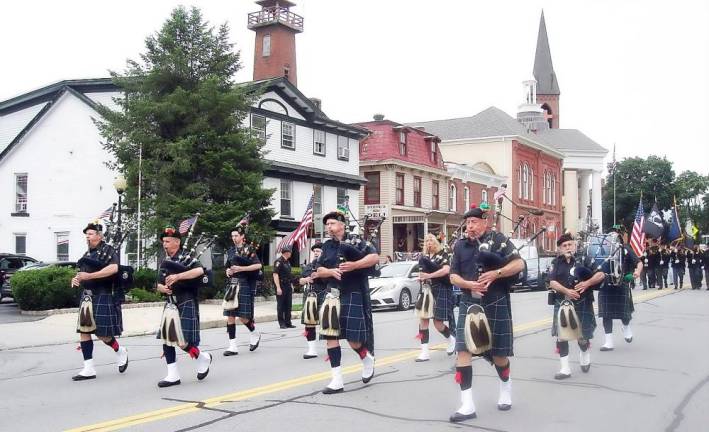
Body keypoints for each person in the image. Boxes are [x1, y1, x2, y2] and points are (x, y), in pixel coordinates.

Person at [448, 205, 525, 422]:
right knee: (462, 350)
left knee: (499, 355)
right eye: (468, 223)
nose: (469, 227)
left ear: (484, 222)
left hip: (495, 301)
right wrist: (468, 284)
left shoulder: (499, 240)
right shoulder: (460, 246)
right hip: (468, 302)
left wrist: (496, 273)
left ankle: (505, 387)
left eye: (473, 223)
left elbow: (519, 263)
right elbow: (453, 276)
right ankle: (467, 404)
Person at [316, 210, 379, 394]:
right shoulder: (326, 246)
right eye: (326, 224)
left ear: (342, 225)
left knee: (353, 340)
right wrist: (329, 272)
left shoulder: (356, 241)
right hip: (332, 295)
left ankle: (366, 358)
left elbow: (374, 258)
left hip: (352, 292)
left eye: (332, 224)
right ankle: (337, 380)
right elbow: (318, 269)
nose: (329, 227)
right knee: (331, 336)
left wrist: (354, 265)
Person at [155, 226, 212, 387]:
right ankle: (172, 375)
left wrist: (178, 275)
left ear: (177, 242)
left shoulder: (187, 257)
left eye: (167, 241)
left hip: (185, 300)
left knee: (182, 341)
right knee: (167, 339)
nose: (164, 244)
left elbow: (200, 271)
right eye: (163, 241)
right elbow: (158, 283)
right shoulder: (164, 260)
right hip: (170, 302)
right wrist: (162, 288)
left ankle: (201, 357)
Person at [71, 222, 128, 381]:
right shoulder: (88, 253)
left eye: (90, 233)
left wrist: (88, 276)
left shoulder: (108, 250)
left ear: (99, 235)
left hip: (103, 295)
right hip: (87, 296)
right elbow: (82, 273)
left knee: (103, 334)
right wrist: (76, 279)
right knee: (84, 331)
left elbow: (114, 269)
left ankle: (120, 350)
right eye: (86, 234)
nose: (87, 236)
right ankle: (88, 369)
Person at [547, 233, 605, 379]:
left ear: (575, 245)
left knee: (582, 337)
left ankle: (584, 353)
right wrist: (567, 291)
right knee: (561, 337)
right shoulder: (556, 262)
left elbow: (601, 275)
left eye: (570, 245)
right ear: (560, 249)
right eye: (564, 246)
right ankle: (565, 369)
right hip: (562, 302)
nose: (568, 248)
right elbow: (551, 282)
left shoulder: (585, 259)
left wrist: (587, 283)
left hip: (582, 302)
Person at [598, 226, 642, 352]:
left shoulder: (626, 248)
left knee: (624, 312)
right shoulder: (603, 249)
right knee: (606, 314)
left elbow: (639, 263)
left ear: (619, 237)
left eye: (616, 235)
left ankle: (626, 326)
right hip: (605, 283)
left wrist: (637, 271)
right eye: (611, 235)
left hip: (622, 282)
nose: (613, 237)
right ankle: (608, 342)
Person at [415, 234, 456, 361]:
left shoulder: (444, 254)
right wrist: (421, 278)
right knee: (423, 321)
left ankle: (451, 339)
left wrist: (429, 276)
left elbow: (445, 270)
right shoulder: (423, 257)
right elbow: (422, 273)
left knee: (438, 323)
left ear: (436, 243)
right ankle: (425, 352)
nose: (429, 243)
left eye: (431, 240)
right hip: (427, 289)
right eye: (426, 241)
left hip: (442, 288)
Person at [223, 224, 263, 356]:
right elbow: (228, 267)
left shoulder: (249, 250)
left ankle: (254, 332)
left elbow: (258, 265)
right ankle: (232, 346)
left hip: (244, 283)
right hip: (232, 284)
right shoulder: (230, 251)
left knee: (243, 317)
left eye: (236, 236)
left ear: (242, 236)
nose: (234, 238)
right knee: (230, 315)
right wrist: (228, 271)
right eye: (232, 236)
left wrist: (242, 269)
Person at [299, 242, 326, 358]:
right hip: (310, 295)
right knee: (309, 323)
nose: (316, 253)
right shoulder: (308, 266)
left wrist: (319, 275)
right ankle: (312, 350)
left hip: (323, 294)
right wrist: (305, 280)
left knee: (327, 323)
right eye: (314, 251)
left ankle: (333, 346)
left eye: (318, 251)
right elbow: (300, 280)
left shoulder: (326, 266)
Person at [274, 245, 295, 329]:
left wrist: (291, 285)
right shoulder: (278, 261)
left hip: (288, 285)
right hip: (281, 285)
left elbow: (289, 275)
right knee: (281, 305)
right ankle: (281, 323)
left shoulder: (287, 262)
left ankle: (288, 322)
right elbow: (275, 275)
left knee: (288, 305)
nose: (291, 253)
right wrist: (278, 287)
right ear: (286, 252)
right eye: (290, 252)